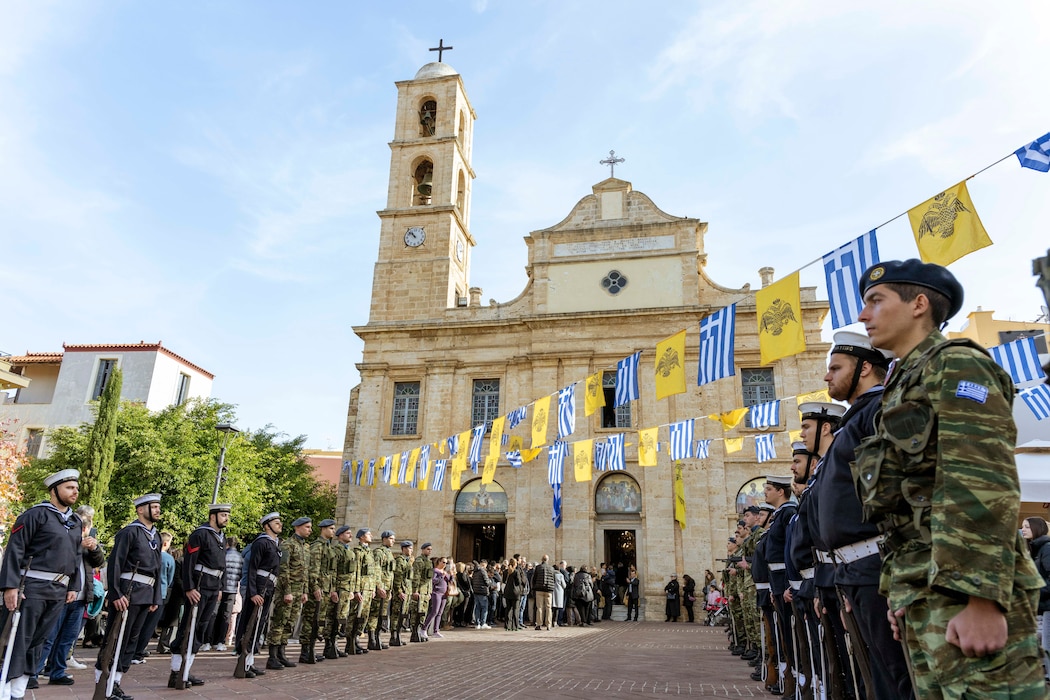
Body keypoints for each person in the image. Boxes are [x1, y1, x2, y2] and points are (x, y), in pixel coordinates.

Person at [855, 259, 1047, 697]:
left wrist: (982, 599)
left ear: (918, 304)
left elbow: (981, 480)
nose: (864, 315)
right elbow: (906, 500)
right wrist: (899, 588)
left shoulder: (956, 365)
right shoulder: (904, 382)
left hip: (964, 593)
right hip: (922, 588)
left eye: (875, 301)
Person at [815, 331, 913, 699]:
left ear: (866, 367)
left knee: (897, 675)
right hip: (854, 571)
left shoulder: (876, 411)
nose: (827, 376)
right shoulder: (853, 422)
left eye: (835, 368)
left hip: (875, 566)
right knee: (880, 674)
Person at [0, 469, 86, 700]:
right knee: (19, 639)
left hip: (59, 590)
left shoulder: (75, 521)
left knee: (38, 642)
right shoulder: (35, 515)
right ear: (54, 491)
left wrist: (73, 586)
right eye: (69, 487)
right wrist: (11, 587)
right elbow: (14, 550)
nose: (75, 491)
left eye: (76, 488)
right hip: (31, 587)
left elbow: (76, 557)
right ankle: (4, 690)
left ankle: (18, 691)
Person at [94, 493, 163, 700]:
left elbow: (157, 570)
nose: (158, 510)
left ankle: (115, 683)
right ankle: (102, 682)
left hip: (146, 594)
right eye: (154, 506)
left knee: (132, 640)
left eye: (159, 506)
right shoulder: (129, 532)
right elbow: (115, 563)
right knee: (115, 638)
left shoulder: (156, 536)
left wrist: (155, 598)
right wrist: (116, 593)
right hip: (129, 592)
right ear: (141, 510)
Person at [37, 503, 105, 688]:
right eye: (83, 528)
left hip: (82, 596)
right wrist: (77, 544)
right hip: (63, 593)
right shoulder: (66, 541)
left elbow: (100, 562)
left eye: (87, 528)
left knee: (68, 637)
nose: (85, 531)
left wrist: (94, 548)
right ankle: (34, 671)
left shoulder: (89, 544)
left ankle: (56, 670)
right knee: (50, 635)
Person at [169, 503, 230, 688]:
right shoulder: (200, 534)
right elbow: (189, 562)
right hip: (200, 586)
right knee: (188, 627)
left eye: (228, 515)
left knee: (201, 629)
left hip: (213, 587)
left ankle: (186, 671)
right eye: (223, 515)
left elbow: (222, 565)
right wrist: (189, 587)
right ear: (213, 515)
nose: (226, 518)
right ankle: (176, 672)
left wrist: (220, 587)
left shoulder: (221, 537)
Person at [235, 511, 281, 679]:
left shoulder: (275, 544)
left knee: (259, 626)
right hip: (259, 587)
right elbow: (252, 569)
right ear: (267, 526)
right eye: (276, 523)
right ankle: (243, 661)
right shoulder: (261, 543)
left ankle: (250, 662)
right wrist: (253, 592)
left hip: (268, 587)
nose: (280, 525)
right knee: (250, 625)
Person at [265, 516, 310, 670]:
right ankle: (272, 656)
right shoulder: (288, 545)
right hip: (287, 591)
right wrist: (287, 592)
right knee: (279, 622)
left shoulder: (305, 547)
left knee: (289, 623)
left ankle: (281, 654)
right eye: (307, 527)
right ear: (298, 527)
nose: (310, 530)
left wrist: (304, 591)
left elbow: (304, 572)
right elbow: (283, 570)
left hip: (298, 592)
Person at [299, 518, 338, 663]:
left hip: (326, 589)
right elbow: (313, 569)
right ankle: (305, 651)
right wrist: (315, 587)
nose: (333, 531)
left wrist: (332, 590)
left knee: (319, 621)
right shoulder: (317, 546)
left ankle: (312, 648)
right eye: (331, 529)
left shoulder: (329, 547)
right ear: (324, 529)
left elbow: (331, 572)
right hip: (317, 589)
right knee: (310, 620)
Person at [1023, 517, 1050, 679]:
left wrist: (1035, 591)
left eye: (1027, 526)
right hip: (1042, 605)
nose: (1023, 529)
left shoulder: (1046, 548)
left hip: (1048, 605)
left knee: (1047, 641)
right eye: (1022, 527)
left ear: (1036, 528)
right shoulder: (1035, 549)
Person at [347, 527, 377, 653]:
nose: (371, 536)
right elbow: (356, 572)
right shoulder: (358, 552)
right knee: (355, 615)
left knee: (364, 616)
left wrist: (373, 587)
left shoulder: (369, 552)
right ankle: (350, 642)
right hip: (361, 588)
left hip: (369, 588)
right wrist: (356, 590)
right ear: (361, 537)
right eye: (368, 534)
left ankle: (357, 640)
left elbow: (373, 572)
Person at [365, 529, 396, 651]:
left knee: (381, 615)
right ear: (384, 539)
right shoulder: (379, 552)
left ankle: (378, 637)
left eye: (393, 539)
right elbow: (376, 571)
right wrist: (379, 586)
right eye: (391, 538)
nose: (393, 541)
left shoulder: (389, 553)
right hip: (381, 588)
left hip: (387, 588)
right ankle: (372, 639)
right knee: (374, 613)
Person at [387, 540, 412, 646]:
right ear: (404, 549)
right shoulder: (400, 561)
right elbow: (397, 578)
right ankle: (394, 636)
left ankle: (398, 635)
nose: (411, 550)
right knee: (396, 614)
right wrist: (399, 591)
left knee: (402, 614)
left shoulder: (407, 561)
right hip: (401, 592)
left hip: (407, 591)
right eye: (409, 548)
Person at [408, 541, 433, 642]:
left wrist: (429, 591)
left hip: (425, 591)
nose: (429, 551)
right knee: (416, 612)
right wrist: (415, 591)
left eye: (430, 549)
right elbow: (416, 577)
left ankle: (419, 631)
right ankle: (414, 632)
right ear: (422, 550)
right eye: (428, 549)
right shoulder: (419, 561)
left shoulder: (429, 562)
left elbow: (429, 579)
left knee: (423, 612)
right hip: (419, 591)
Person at [423, 556, 451, 637]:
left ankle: (436, 630)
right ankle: (424, 628)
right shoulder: (435, 571)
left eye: (446, 563)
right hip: (436, 593)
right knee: (434, 611)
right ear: (439, 562)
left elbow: (450, 580)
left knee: (439, 613)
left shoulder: (444, 572)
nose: (445, 564)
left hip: (444, 594)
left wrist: (450, 575)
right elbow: (433, 581)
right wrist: (441, 576)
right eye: (443, 562)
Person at [532, 554, 556, 630]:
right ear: (547, 560)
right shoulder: (551, 568)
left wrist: (534, 587)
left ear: (542, 560)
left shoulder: (538, 567)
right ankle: (548, 625)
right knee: (549, 607)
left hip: (539, 589)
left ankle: (539, 624)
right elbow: (553, 579)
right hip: (549, 590)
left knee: (539, 607)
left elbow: (534, 579)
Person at [470, 558, 492, 629]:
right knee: (484, 607)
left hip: (476, 591)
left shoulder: (475, 571)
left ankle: (477, 623)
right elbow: (487, 582)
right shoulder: (483, 571)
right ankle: (483, 623)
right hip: (482, 591)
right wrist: (490, 582)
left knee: (477, 607)